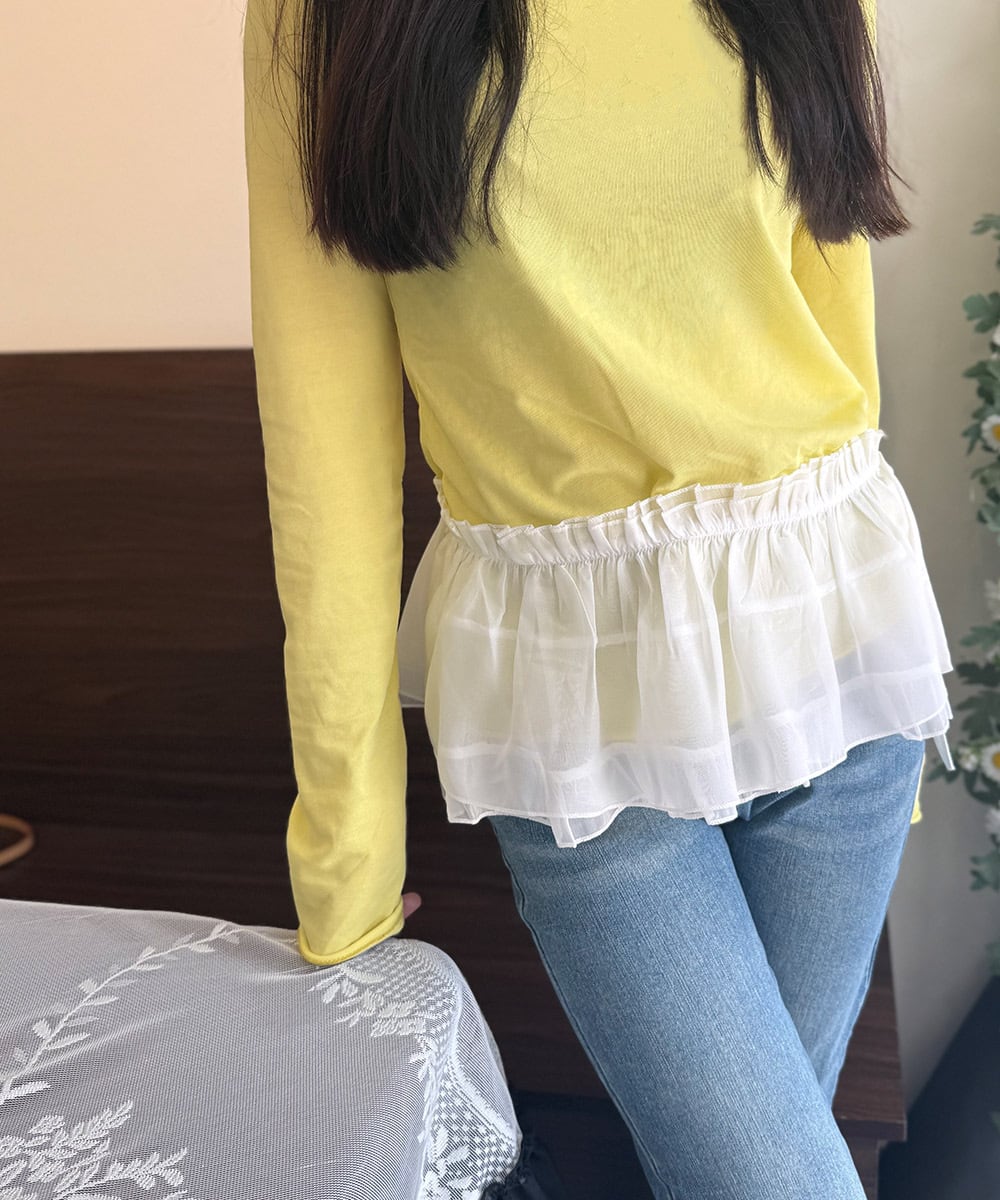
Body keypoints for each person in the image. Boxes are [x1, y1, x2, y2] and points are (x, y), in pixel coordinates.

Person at [241, 0, 955, 1195]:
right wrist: (345, 851)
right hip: (574, 701)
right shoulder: (325, 18)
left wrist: (874, 686)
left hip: (831, 649)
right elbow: (325, 444)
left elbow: (831, 314)